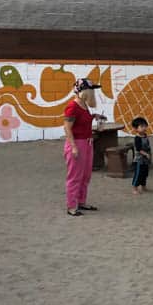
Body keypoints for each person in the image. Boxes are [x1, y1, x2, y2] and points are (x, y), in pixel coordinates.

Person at [63, 77, 102, 217]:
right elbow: (67, 128)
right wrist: (73, 147)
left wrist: (94, 117)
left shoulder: (84, 105)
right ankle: (71, 206)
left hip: (87, 142)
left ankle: (81, 201)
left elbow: (82, 121)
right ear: (84, 90)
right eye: (91, 89)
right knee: (75, 176)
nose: (93, 92)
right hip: (77, 143)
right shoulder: (72, 106)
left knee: (85, 175)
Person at [132, 117, 151, 195]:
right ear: (136, 129)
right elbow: (139, 149)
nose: (144, 128)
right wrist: (146, 154)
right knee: (138, 174)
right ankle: (134, 188)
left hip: (146, 159)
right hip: (139, 160)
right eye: (141, 126)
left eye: (144, 126)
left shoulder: (145, 136)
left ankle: (143, 186)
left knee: (144, 174)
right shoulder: (137, 138)